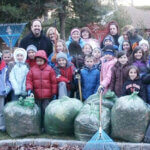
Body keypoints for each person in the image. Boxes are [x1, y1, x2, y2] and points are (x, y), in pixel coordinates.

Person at [26, 50, 57, 127]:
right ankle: (38, 125)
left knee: (46, 111)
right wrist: (29, 89)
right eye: (37, 61)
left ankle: (46, 125)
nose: (39, 62)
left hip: (47, 95)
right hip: (36, 95)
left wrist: (54, 93)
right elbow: (29, 81)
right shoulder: (32, 69)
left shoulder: (50, 69)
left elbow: (53, 82)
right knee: (37, 111)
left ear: (44, 60)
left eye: (40, 60)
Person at [0, 52, 11, 131]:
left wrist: (7, 88)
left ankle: (2, 125)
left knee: (1, 110)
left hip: (1, 92)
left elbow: (7, 80)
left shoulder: (5, 68)